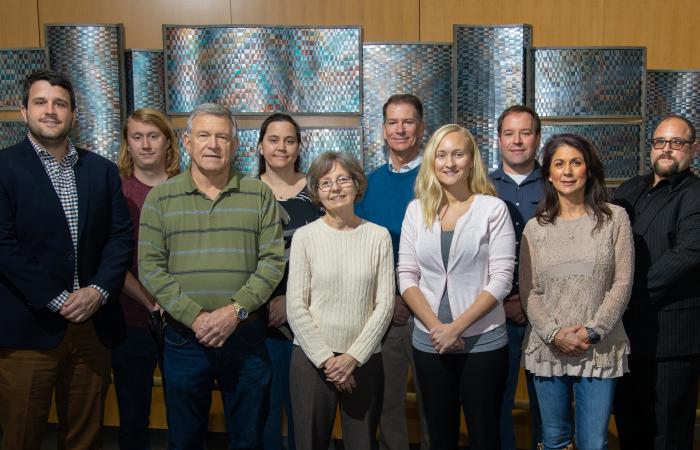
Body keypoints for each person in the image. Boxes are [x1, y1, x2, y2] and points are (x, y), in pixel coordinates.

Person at [138, 103, 286, 449]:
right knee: (185, 438)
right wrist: (197, 318)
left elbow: (272, 263)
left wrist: (232, 313)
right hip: (184, 340)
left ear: (235, 146)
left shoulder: (259, 194)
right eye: (204, 135)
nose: (213, 144)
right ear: (187, 143)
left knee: (248, 438)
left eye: (222, 137)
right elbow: (150, 267)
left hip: (246, 338)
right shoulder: (161, 198)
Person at [0, 69, 133, 449]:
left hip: (92, 327)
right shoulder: (4, 168)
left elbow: (120, 237)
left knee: (84, 438)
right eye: (40, 102)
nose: (51, 111)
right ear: (23, 111)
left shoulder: (101, 170)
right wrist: (58, 299)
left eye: (60, 103)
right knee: (20, 435)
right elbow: (4, 245)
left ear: (73, 114)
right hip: (26, 331)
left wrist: (98, 290)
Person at [398, 124, 515, 450]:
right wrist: (438, 329)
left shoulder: (493, 209)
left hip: (483, 343)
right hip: (429, 343)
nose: (450, 163)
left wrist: (457, 328)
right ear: (432, 161)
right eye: (442, 154)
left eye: (458, 154)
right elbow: (407, 275)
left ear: (471, 160)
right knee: (439, 435)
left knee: (484, 435)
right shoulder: (415, 210)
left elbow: (502, 279)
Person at [519, 134, 634, 450]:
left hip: (599, 348)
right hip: (548, 350)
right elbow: (530, 291)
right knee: (553, 439)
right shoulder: (535, 228)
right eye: (559, 164)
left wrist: (594, 331)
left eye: (575, 162)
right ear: (549, 174)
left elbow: (622, 283)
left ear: (589, 169)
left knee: (593, 442)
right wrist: (555, 334)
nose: (567, 171)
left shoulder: (614, 219)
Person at [287, 151, 394, 450]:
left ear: (357, 184)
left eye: (343, 179)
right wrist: (328, 361)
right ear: (317, 194)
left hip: (364, 359)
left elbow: (384, 306)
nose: (335, 188)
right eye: (325, 183)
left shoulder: (378, 236)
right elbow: (296, 307)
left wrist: (351, 358)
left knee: (362, 444)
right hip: (311, 359)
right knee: (310, 443)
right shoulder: (305, 237)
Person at [612, 115, 700, 450]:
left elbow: (688, 254)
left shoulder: (694, 194)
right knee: (630, 430)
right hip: (624, 338)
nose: (666, 149)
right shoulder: (629, 189)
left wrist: (624, 294)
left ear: (693, 149)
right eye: (660, 142)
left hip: (672, 340)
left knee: (668, 436)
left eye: (676, 143)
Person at [355, 93, 430, 450]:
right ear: (383, 130)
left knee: (435, 403)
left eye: (408, 121)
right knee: (388, 403)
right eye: (393, 122)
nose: (400, 129)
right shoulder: (367, 186)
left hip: (436, 312)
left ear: (421, 127)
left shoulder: (438, 180)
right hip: (388, 312)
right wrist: (390, 298)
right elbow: (362, 251)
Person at [113, 107, 180, 450]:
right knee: (133, 416)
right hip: (131, 318)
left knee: (183, 414)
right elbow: (110, 260)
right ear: (127, 143)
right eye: (137, 137)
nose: (146, 145)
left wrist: (173, 304)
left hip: (181, 319)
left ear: (168, 142)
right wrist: (151, 302)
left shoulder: (188, 187)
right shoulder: (117, 190)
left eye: (153, 136)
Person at [257, 113, 321, 450]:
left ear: (299, 147)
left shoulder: (318, 193)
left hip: (308, 322)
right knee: (264, 413)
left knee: (304, 416)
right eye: (273, 139)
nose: (281, 147)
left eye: (290, 140)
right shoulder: (244, 192)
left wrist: (291, 301)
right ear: (260, 146)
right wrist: (262, 302)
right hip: (256, 320)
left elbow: (331, 256)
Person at [489, 105, 543, 450]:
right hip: (496, 314)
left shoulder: (558, 183)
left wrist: (530, 301)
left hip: (547, 316)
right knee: (497, 405)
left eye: (525, 132)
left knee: (547, 408)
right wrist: (504, 299)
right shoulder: (481, 187)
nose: (517, 140)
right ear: (498, 139)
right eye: (509, 133)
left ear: (538, 138)